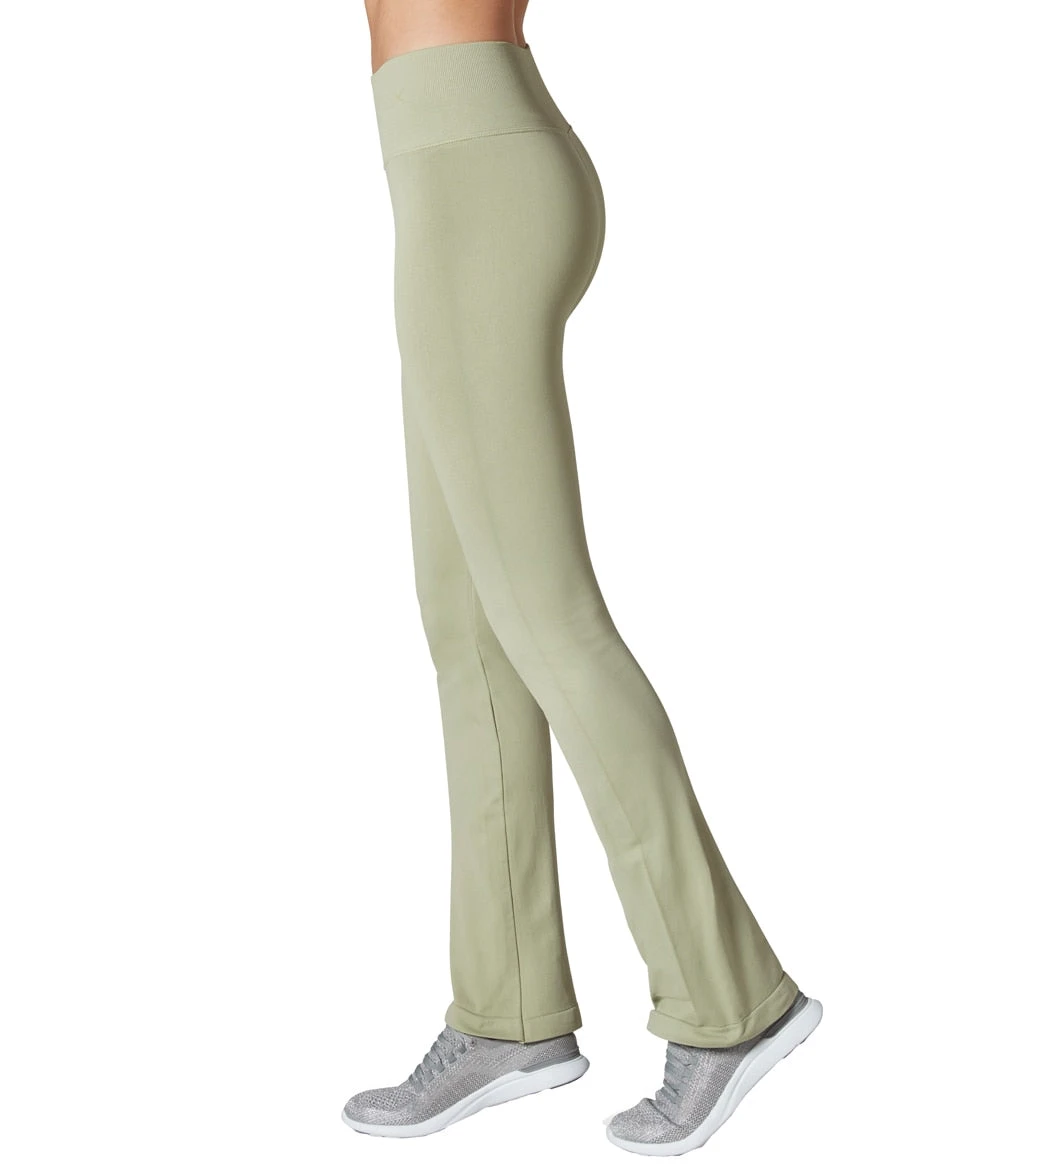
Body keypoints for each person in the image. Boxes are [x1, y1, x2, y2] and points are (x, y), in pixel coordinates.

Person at [343, 1, 822, 1155]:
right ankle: (506, 1013)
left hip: (472, 173)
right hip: (452, 165)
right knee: (471, 627)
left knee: (548, 621)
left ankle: (731, 1001)